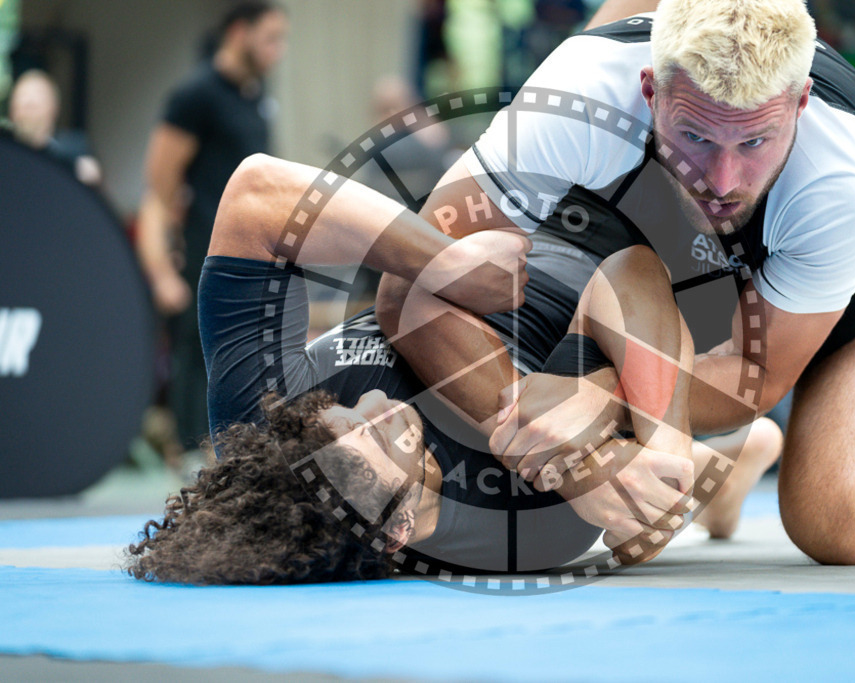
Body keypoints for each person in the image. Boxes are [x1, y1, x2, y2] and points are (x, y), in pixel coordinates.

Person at [373, 0, 855, 564]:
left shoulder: (843, 178)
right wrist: (556, 444)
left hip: (818, 260)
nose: (723, 177)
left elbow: (752, 375)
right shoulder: (573, 100)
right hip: (672, 249)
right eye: (696, 134)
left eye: (755, 140)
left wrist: (590, 403)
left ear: (800, 102)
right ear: (650, 91)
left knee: (845, 528)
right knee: (553, 341)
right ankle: (722, 466)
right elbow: (407, 290)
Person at [127, 153, 783, 583]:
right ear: (399, 529)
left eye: (341, 413)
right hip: (642, 258)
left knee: (412, 301)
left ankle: (711, 477)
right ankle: (695, 469)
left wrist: (443, 262)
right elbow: (633, 276)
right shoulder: (530, 527)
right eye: (393, 439)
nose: (379, 409)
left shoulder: (263, 443)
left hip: (525, 229)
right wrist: (639, 425)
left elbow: (255, 195)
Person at [136, 1, 288, 454]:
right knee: (200, 357)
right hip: (204, 256)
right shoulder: (195, 95)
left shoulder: (256, 96)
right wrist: (162, 272)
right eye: (271, 38)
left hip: (255, 255)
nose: (278, 51)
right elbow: (157, 192)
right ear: (240, 32)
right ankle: (187, 454)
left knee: (249, 360)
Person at [8, 69, 102, 187]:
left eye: (37, 98)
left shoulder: (74, 150)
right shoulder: (6, 154)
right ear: (12, 110)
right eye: (22, 97)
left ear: (54, 107)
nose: (28, 104)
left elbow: (91, 180)